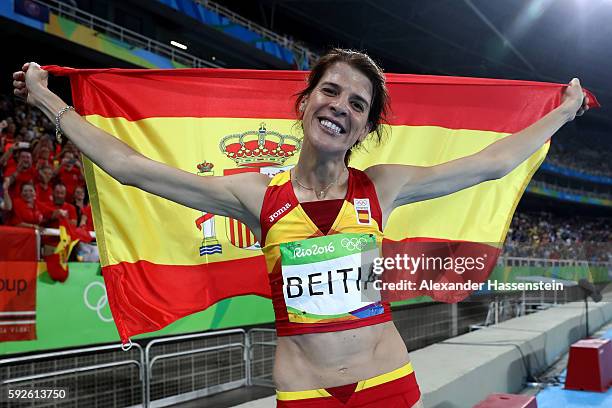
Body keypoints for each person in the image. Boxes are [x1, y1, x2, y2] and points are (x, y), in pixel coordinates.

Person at [13, 50, 589, 407]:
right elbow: (131, 168)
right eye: (331, 91)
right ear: (307, 101)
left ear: (364, 127)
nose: (341, 105)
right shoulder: (258, 196)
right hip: (303, 392)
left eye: (358, 104)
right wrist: (47, 102)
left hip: (386, 381)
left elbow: (489, 164)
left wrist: (561, 112)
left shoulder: (381, 187)